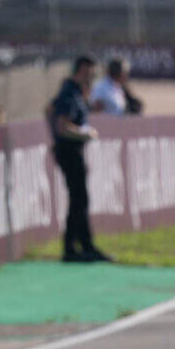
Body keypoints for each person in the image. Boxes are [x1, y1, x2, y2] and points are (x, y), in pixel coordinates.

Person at [49, 55, 111, 263]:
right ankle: (73, 248)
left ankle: (83, 246)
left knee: (80, 199)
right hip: (69, 150)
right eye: (89, 73)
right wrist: (85, 134)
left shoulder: (75, 92)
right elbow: (63, 126)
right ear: (81, 71)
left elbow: (49, 110)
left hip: (73, 150)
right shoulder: (69, 92)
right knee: (78, 199)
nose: (91, 77)